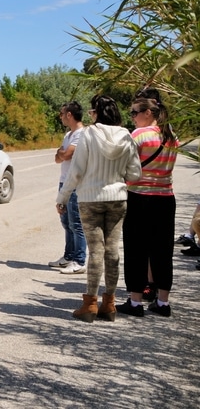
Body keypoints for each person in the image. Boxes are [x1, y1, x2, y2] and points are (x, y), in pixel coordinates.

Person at [57, 94, 142, 322]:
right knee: (112, 251)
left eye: (92, 112)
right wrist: (117, 174)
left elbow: (76, 171)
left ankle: (90, 305)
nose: (90, 116)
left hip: (90, 199)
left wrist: (62, 197)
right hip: (117, 199)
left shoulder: (89, 135)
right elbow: (135, 173)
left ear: (97, 113)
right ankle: (110, 304)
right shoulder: (126, 136)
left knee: (96, 252)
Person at [116, 95, 180, 317]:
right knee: (163, 250)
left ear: (148, 113)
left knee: (136, 249)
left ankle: (135, 302)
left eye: (135, 113)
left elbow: (125, 164)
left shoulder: (138, 135)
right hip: (165, 198)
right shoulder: (171, 136)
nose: (132, 117)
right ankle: (163, 302)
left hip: (140, 197)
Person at [49, 101, 86, 274]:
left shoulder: (81, 134)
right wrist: (61, 154)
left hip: (75, 183)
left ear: (69, 115)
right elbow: (58, 158)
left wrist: (62, 153)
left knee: (76, 222)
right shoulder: (68, 134)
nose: (61, 116)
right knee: (65, 221)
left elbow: (67, 154)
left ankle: (79, 260)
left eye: (62, 113)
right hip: (64, 181)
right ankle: (69, 256)